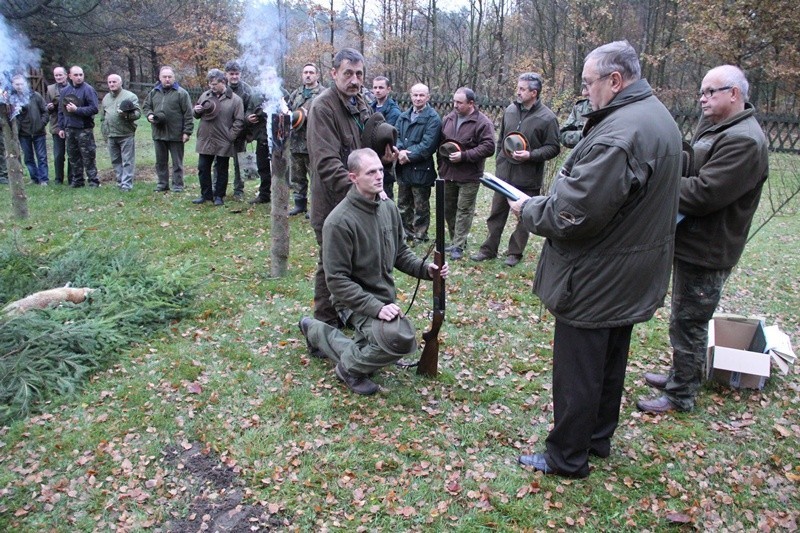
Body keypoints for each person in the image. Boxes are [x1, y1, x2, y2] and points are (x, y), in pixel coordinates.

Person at [509, 41, 682, 477]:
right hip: (629, 268)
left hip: (597, 273)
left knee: (579, 370)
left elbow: (576, 213)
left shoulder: (621, 134)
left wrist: (529, 210)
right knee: (609, 360)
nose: (585, 92)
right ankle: (597, 437)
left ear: (615, 81)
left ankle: (568, 455)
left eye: (588, 83)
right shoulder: (658, 117)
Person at [636, 65, 769, 415]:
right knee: (683, 317)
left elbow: (705, 193)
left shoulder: (744, 140)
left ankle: (681, 394)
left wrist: (659, 181)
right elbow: (695, 164)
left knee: (690, 321)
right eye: (702, 90)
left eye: (711, 91)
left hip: (710, 247)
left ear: (734, 94)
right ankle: (681, 374)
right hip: (693, 239)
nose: (703, 97)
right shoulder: (718, 127)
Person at [297, 148, 449, 395]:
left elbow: (399, 252)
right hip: (352, 303)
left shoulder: (387, 208)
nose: (379, 176)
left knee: (379, 342)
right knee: (399, 339)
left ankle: (315, 331)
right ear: (353, 177)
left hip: (383, 298)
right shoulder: (338, 222)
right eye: (371, 172)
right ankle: (348, 369)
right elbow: (336, 281)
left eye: (380, 169)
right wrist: (376, 308)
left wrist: (427, 270)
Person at [307, 48, 398, 328]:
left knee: (358, 262)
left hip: (361, 203)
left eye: (359, 74)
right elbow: (326, 164)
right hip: (333, 204)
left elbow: (364, 154)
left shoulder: (361, 103)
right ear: (333, 73)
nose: (355, 80)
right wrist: (364, 190)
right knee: (330, 266)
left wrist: (384, 160)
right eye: (348, 73)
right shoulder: (323, 107)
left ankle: (350, 313)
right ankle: (324, 324)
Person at [471, 72, 560, 267]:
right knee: (496, 213)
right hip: (504, 175)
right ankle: (488, 249)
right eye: (518, 88)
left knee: (523, 218)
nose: (517, 92)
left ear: (534, 92)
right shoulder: (510, 110)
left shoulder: (547, 118)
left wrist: (531, 155)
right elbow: (502, 137)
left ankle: (514, 253)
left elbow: (554, 148)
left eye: (522, 89)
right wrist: (501, 158)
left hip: (528, 177)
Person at [437, 87, 496, 260]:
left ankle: (458, 246)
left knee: (464, 209)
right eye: (454, 101)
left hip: (469, 175)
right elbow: (440, 143)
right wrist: (441, 166)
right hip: (448, 174)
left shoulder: (483, 123)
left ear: (471, 103)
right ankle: (455, 239)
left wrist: (464, 156)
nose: (455, 105)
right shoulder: (448, 119)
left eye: (459, 102)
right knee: (449, 209)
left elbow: (489, 147)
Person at [395, 83, 441, 244]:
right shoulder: (403, 116)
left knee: (421, 205)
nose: (418, 98)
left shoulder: (433, 118)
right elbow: (397, 136)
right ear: (410, 96)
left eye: (421, 95)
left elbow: (428, 145)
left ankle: (420, 234)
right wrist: (400, 152)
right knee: (403, 203)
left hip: (421, 169)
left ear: (428, 97)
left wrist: (408, 155)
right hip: (403, 167)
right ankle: (406, 233)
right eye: (415, 95)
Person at [192, 68, 245, 206]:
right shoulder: (205, 95)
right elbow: (197, 113)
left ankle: (219, 196)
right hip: (205, 138)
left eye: (214, 84)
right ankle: (206, 195)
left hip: (223, 140)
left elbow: (239, 121)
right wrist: (196, 111)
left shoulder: (235, 100)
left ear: (223, 82)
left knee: (222, 169)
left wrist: (230, 136)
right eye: (210, 83)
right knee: (203, 167)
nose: (211, 86)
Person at [142, 66, 194, 193]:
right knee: (160, 162)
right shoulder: (154, 92)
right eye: (164, 77)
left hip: (176, 134)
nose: (167, 79)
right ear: (160, 78)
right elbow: (146, 106)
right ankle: (162, 184)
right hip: (158, 133)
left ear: (174, 78)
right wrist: (149, 115)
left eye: (169, 77)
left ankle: (178, 185)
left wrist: (187, 132)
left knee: (177, 162)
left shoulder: (182, 93)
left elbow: (188, 114)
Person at [247, 66, 289, 205]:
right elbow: (248, 111)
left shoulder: (283, 93)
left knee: (280, 167)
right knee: (263, 167)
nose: (269, 80)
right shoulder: (256, 94)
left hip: (279, 138)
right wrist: (249, 117)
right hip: (262, 136)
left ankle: (281, 194)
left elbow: (290, 112)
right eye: (266, 77)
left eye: (271, 77)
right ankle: (264, 194)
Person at [286, 63, 322, 215]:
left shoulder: (323, 94)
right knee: (297, 177)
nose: (308, 75)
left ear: (317, 75)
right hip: (295, 142)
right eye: (305, 72)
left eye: (311, 72)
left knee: (315, 177)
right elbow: (287, 111)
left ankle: (316, 207)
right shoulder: (296, 93)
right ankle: (299, 204)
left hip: (313, 142)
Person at [57, 65, 99, 188]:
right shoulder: (65, 91)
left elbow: (94, 108)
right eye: (76, 75)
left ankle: (93, 181)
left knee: (88, 155)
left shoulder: (88, 90)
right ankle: (78, 180)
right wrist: (61, 127)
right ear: (70, 76)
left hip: (84, 128)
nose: (79, 77)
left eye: (81, 75)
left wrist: (77, 110)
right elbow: (61, 110)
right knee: (73, 156)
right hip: (69, 128)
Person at [100, 74, 140, 191]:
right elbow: (103, 117)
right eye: (110, 82)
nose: (112, 84)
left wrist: (126, 115)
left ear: (120, 82)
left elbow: (138, 114)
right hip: (111, 134)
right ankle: (120, 181)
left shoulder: (130, 96)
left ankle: (126, 185)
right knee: (115, 160)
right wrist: (104, 132)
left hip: (125, 133)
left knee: (127, 160)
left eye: (114, 82)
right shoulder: (106, 98)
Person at [11, 75, 49, 185]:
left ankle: (44, 179)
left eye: (21, 84)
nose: (19, 86)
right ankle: (34, 177)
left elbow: (45, 111)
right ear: (13, 85)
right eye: (17, 84)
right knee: (28, 157)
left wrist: (41, 124)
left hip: (38, 132)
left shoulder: (35, 96)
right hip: (23, 133)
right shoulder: (12, 99)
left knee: (41, 157)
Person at [224, 60, 253, 201]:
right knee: (219, 162)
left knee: (239, 163)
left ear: (240, 74)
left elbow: (250, 110)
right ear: (226, 74)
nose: (234, 77)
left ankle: (238, 190)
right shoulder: (221, 87)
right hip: (222, 132)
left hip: (240, 132)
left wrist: (248, 131)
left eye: (236, 74)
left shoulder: (247, 90)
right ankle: (218, 188)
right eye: (231, 74)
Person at [371, 75, 402, 199]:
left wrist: (385, 157)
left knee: (385, 195)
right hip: (370, 153)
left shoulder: (393, 111)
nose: (377, 90)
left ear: (388, 89)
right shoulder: (370, 107)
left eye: (381, 87)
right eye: (375, 87)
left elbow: (388, 136)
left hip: (385, 156)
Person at [46, 66, 71, 184]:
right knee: (58, 154)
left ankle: (73, 177)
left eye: (60, 75)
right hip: (56, 124)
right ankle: (58, 179)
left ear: (66, 75)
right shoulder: (50, 89)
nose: (59, 77)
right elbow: (46, 107)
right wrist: (49, 107)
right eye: (56, 75)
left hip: (71, 123)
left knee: (72, 152)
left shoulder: (73, 87)